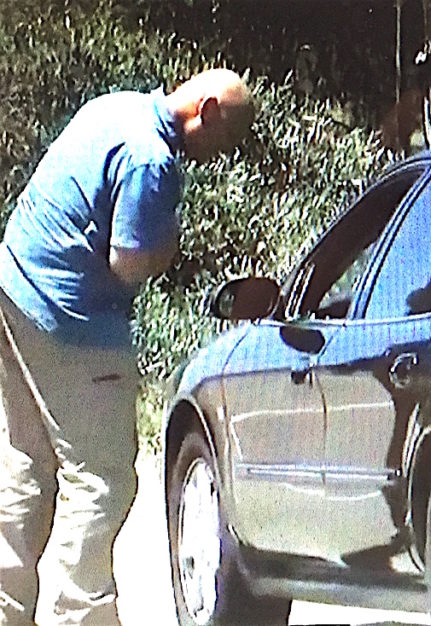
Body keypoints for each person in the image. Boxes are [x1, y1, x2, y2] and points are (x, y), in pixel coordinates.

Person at [0, 69, 254, 626]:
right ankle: (81, 615)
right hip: (69, 315)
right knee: (101, 477)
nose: (214, 156)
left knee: (28, 458)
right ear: (206, 111)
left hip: (14, 285)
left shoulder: (116, 106)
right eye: (223, 139)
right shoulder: (151, 158)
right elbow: (130, 262)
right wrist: (168, 245)